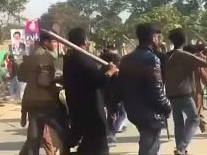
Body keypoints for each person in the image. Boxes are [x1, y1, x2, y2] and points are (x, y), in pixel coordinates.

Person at [63, 27, 118, 155]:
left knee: (88, 144)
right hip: (91, 109)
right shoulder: (83, 59)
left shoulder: (70, 59)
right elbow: (97, 81)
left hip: (78, 107)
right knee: (99, 146)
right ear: (84, 40)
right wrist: (111, 71)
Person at [119, 23, 172, 155]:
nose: (159, 40)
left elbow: (122, 86)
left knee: (148, 145)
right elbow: (156, 90)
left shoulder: (126, 59)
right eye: (158, 37)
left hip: (133, 109)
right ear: (154, 37)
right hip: (151, 112)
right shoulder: (152, 59)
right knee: (149, 148)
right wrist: (167, 106)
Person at [165, 28, 207, 155]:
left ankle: (180, 149)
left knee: (178, 123)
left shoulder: (167, 56)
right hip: (185, 93)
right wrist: (206, 55)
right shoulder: (186, 56)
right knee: (194, 119)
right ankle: (181, 148)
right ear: (184, 40)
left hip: (171, 94)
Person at [18, 31, 69, 155]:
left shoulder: (32, 54)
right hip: (45, 102)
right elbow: (44, 81)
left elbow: (22, 76)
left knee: (34, 138)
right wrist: (60, 79)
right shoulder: (44, 56)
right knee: (64, 133)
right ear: (46, 42)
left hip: (31, 101)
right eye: (54, 41)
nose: (57, 44)